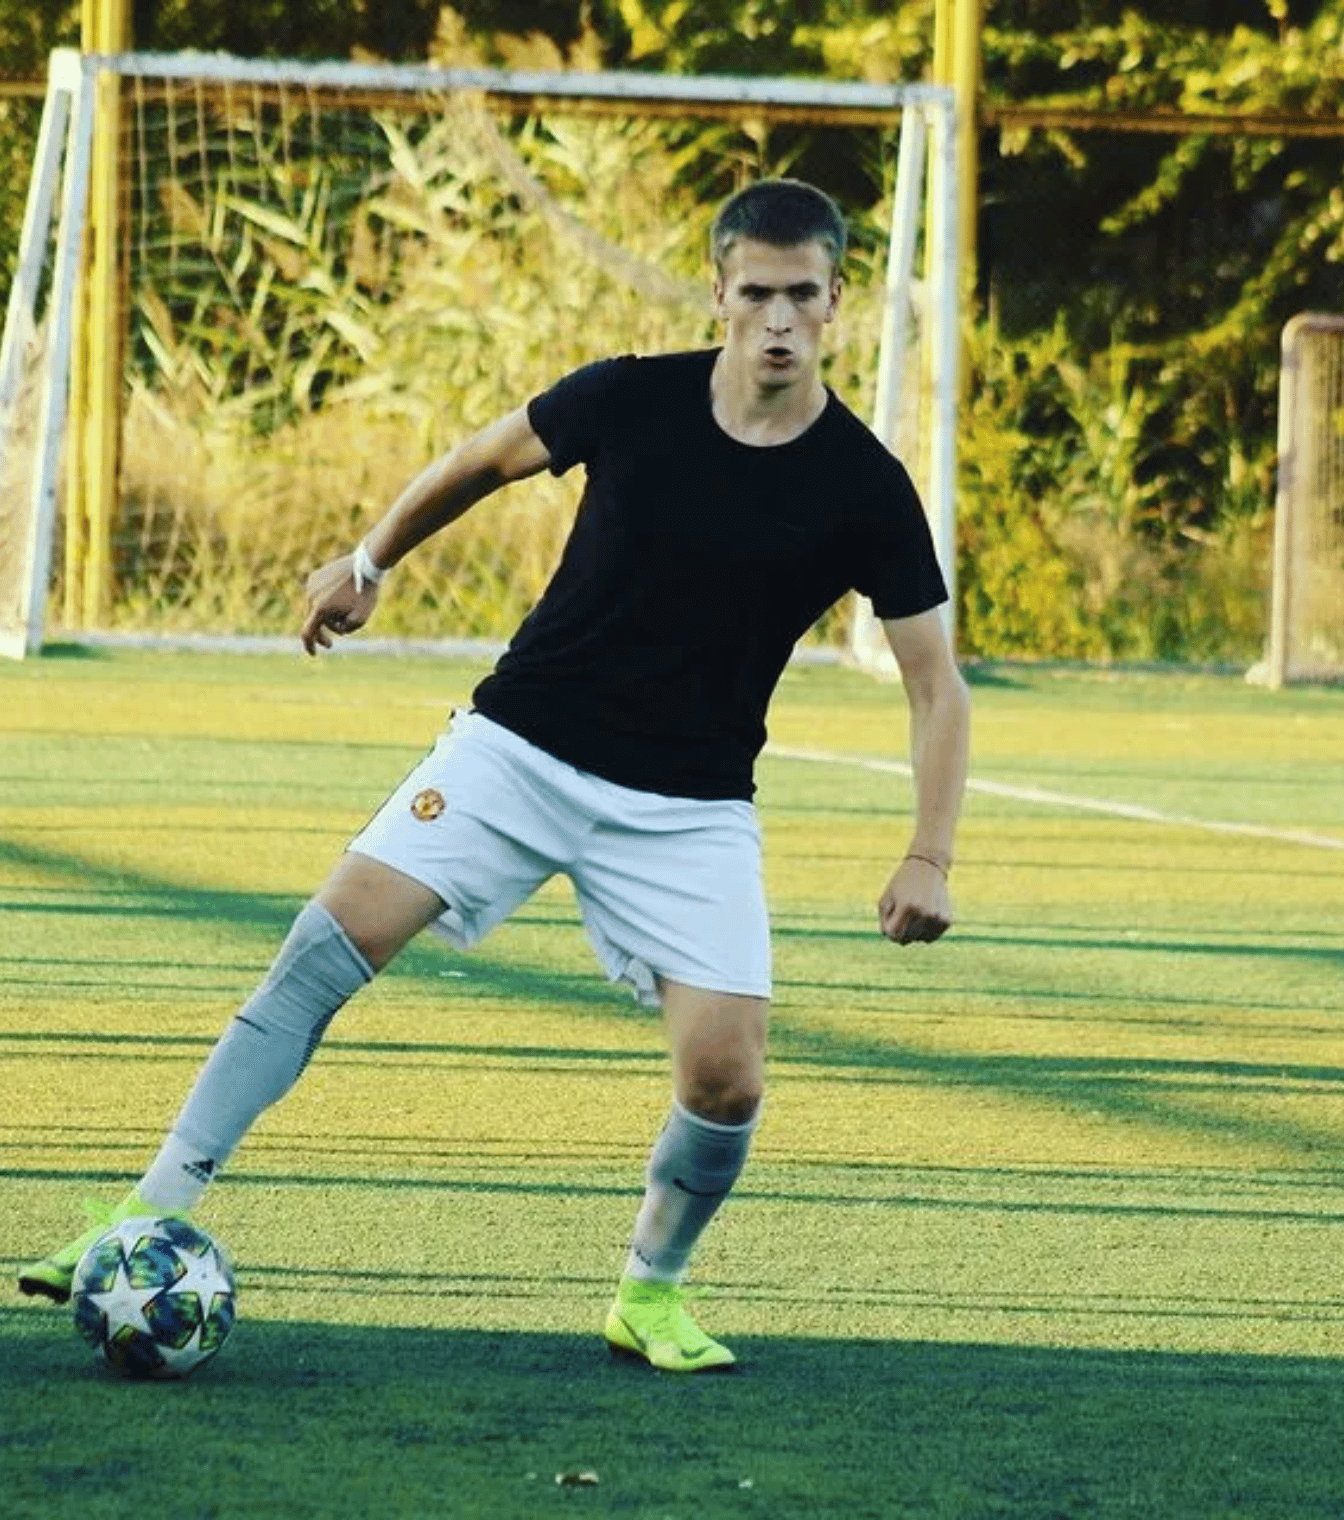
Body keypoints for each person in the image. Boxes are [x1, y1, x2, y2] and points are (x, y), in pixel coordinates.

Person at [19, 178, 970, 1373]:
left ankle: (650, 1292)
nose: (777, 319)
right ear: (719, 293)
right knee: (324, 944)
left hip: (688, 806)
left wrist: (929, 851)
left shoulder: (865, 485)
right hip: (518, 745)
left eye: (802, 296)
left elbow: (936, 685)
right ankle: (139, 1212)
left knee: (728, 1080)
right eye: (756, 293)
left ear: (837, 301)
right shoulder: (629, 396)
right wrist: (367, 561)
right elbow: (481, 460)